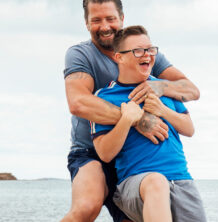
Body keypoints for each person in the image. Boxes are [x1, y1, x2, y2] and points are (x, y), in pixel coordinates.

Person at [62, 0, 200, 221]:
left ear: (122, 19)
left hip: (133, 157)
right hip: (92, 151)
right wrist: (138, 120)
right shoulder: (81, 55)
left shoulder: (145, 54)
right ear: (87, 24)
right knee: (87, 205)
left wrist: (163, 85)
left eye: (110, 18)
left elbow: (192, 90)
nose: (105, 26)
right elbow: (78, 103)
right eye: (96, 20)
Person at [91, 25, 207, 222]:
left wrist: (163, 110)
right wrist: (127, 120)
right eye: (138, 51)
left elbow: (189, 129)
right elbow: (105, 153)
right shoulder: (104, 97)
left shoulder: (163, 88)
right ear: (119, 57)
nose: (147, 55)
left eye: (150, 49)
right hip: (137, 184)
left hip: (181, 180)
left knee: (161, 182)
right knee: (156, 182)